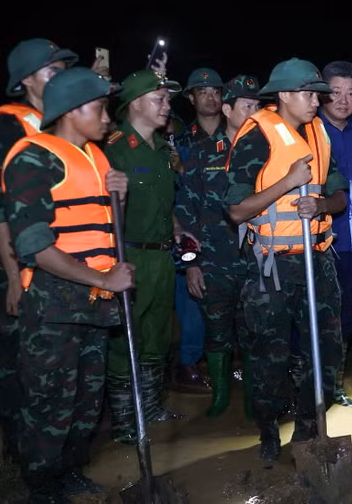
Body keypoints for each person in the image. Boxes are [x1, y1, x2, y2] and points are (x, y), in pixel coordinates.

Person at [1, 67, 135, 503]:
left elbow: (98, 227)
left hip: (94, 302)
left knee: (85, 399)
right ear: (73, 111)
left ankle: (70, 471)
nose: (108, 118)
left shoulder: (98, 157)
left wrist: (122, 196)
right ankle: (41, 487)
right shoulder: (32, 157)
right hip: (54, 304)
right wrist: (104, 278)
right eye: (99, 108)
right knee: (48, 403)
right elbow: (36, 247)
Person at [224, 57, 346, 462]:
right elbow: (237, 211)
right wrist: (288, 184)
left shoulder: (319, 133)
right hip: (271, 267)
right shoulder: (256, 136)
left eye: (317, 94)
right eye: (309, 94)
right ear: (284, 95)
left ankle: (310, 427)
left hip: (318, 260)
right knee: (268, 354)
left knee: (326, 349)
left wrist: (322, 202)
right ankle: (268, 432)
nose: (317, 101)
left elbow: (340, 195)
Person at [0, 38, 77, 463]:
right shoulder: (4, 126)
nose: (59, 76)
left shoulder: (56, 121)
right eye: (52, 70)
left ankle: (63, 457)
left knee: (62, 364)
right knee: (22, 362)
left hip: (57, 259)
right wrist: (14, 276)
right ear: (26, 80)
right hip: (16, 261)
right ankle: (23, 459)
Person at [104, 69, 195, 443]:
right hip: (130, 256)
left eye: (167, 99)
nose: (166, 105)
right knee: (127, 337)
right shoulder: (114, 150)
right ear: (135, 104)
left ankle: (153, 408)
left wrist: (176, 226)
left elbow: (161, 201)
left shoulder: (161, 150)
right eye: (159, 99)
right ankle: (126, 424)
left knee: (158, 334)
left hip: (161, 258)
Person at [176, 74, 261, 418]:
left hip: (257, 258)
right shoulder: (201, 153)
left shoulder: (264, 151)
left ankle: (256, 399)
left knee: (255, 330)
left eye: (258, 106)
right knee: (216, 331)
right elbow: (185, 212)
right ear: (228, 110)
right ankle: (221, 395)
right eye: (247, 106)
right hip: (213, 259)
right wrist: (191, 263)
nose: (254, 112)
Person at [173, 67, 229, 392]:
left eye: (216, 91)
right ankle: (188, 364)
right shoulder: (179, 143)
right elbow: (175, 196)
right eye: (202, 92)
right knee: (192, 302)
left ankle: (226, 361)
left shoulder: (237, 136)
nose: (210, 97)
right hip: (194, 234)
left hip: (231, 235)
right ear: (191, 98)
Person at [318, 61, 352, 407]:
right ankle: (311, 386)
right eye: (336, 91)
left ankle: (335, 383)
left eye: (351, 93)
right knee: (318, 315)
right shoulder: (309, 130)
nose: (344, 99)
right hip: (320, 240)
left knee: (349, 314)